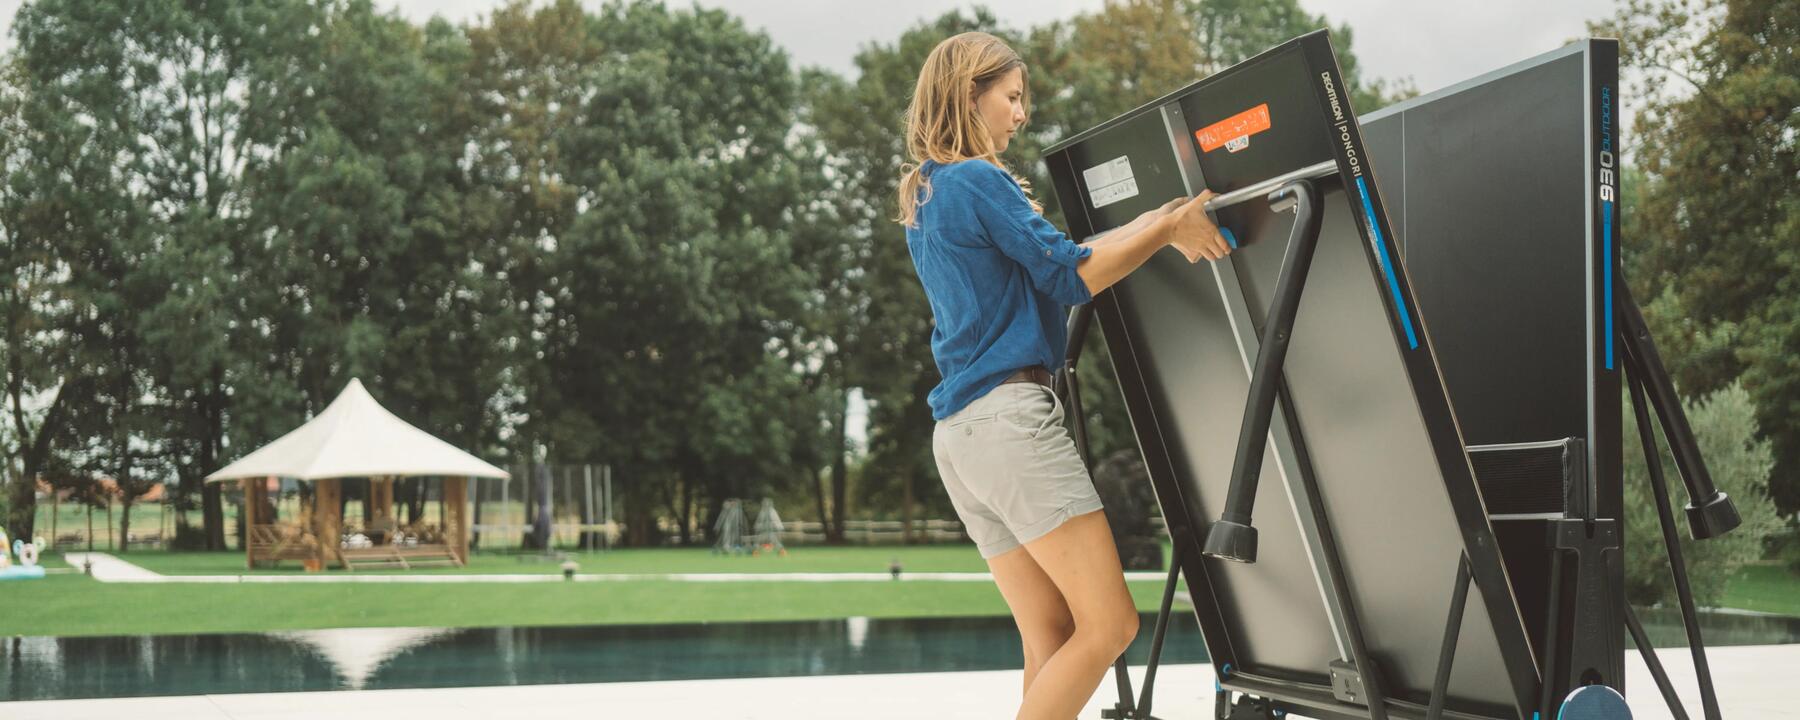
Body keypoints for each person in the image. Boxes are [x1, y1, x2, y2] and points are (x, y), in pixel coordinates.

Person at [899, 31, 1230, 719]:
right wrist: (1167, 234)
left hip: (961, 438)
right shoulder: (980, 180)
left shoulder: (926, 196)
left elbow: (1059, 259)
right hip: (1011, 426)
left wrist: (1156, 220)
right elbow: (1073, 277)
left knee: (1048, 635)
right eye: (1012, 97)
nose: (1021, 115)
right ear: (970, 93)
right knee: (1111, 624)